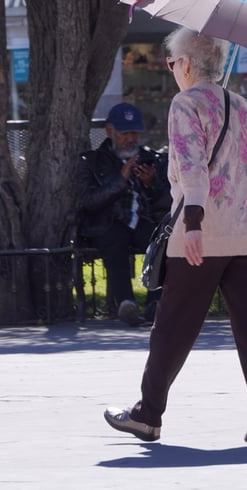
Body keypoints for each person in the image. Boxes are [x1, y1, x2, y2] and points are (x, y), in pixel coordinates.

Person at [103, 27, 247, 445]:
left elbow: (191, 167)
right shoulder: (242, 106)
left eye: (171, 63)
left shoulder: (185, 104)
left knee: (172, 325)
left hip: (201, 234)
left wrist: (195, 224)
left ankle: (147, 415)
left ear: (185, 63)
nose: (172, 71)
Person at [76, 103, 170, 326]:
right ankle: (126, 304)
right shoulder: (92, 161)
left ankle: (155, 304)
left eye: (134, 132)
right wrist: (121, 179)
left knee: (161, 242)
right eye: (125, 132)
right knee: (115, 243)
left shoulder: (151, 158)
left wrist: (151, 182)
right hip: (107, 222)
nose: (130, 138)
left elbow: (167, 199)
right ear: (110, 131)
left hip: (143, 221)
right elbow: (88, 201)